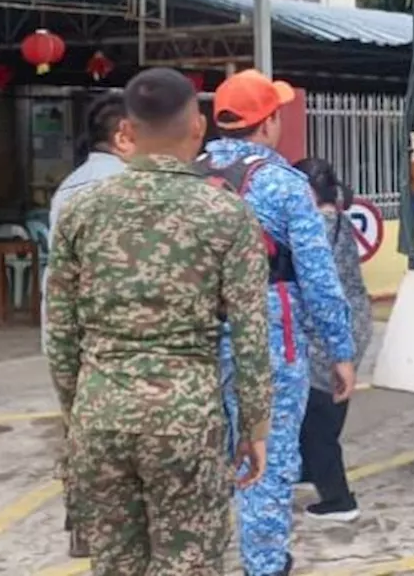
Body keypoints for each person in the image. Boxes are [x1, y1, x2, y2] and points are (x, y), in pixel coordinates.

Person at [45, 68, 272, 576]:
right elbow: (251, 333)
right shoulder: (226, 213)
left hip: (99, 413)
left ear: (128, 129)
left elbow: (59, 333)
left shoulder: (82, 210)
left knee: (115, 565)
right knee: (187, 563)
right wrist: (256, 427)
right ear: (199, 126)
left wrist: (77, 410)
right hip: (185, 419)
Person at [202, 69, 358, 576]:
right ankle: (264, 564)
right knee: (267, 458)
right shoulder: (284, 185)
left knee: (206, 453)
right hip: (271, 337)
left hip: (196, 337)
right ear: (267, 123)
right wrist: (340, 352)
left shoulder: (186, 177)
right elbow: (319, 278)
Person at [42, 92, 134, 559]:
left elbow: (56, 292)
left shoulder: (69, 190)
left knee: (87, 452)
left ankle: (88, 535)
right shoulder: (130, 189)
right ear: (124, 136)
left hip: (81, 352)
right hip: (126, 355)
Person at [293, 157, 373, 522]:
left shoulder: (316, 225)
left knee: (317, 421)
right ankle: (309, 471)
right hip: (355, 322)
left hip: (330, 329)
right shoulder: (338, 217)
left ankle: (339, 499)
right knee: (326, 407)